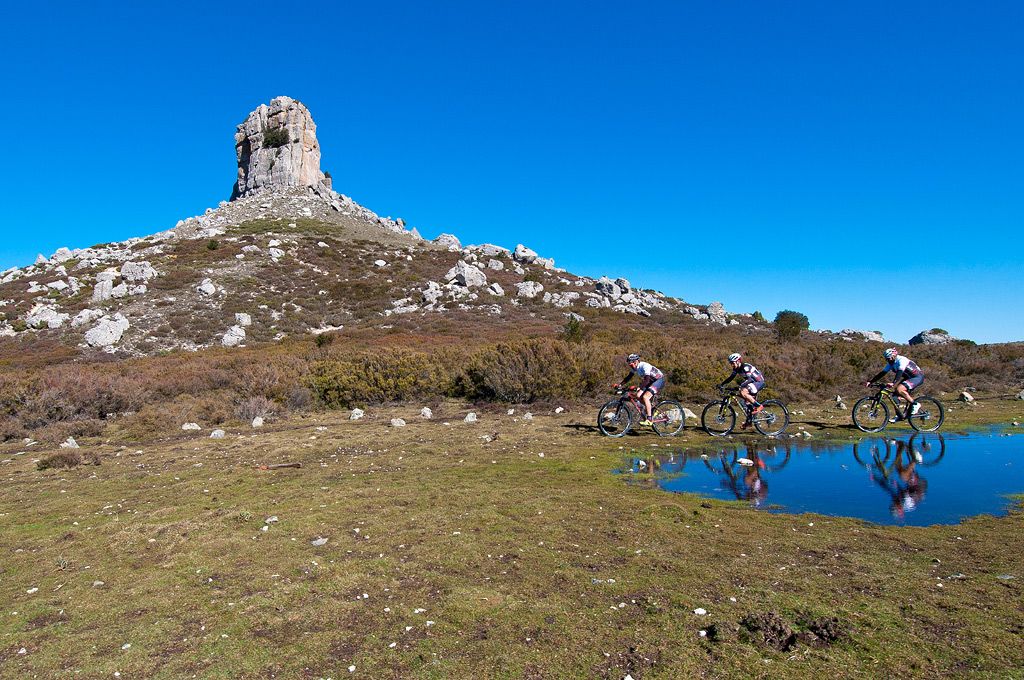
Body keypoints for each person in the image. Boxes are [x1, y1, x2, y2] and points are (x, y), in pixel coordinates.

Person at [866, 348, 924, 419]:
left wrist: (893, 383)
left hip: (917, 377)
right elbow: (882, 373)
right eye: (887, 359)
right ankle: (899, 416)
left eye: (889, 358)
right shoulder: (891, 363)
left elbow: (900, 372)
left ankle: (915, 404)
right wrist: (871, 381)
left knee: (899, 389)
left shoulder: (901, 360)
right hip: (908, 378)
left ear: (894, 355)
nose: (888, 360)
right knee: (894, 396)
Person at [614, 353, 665, 426]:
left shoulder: (644, 366)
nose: (631, 366)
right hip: (650, 381)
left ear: (636, 362)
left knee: (645, 397)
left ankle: (649, 419)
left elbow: (647, 380)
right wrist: (620, 384)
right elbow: (629, 377)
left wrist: (639, 388)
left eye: (631, 364)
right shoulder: (634, 368)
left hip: (658, 380)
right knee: (638, 395)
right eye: (629, 364)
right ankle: (652, 409)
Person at [718, 353, 765, 428]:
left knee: (743, 392)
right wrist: (722, 384)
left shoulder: (745, 367)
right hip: (752, 383)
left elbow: (750, 379)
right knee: (746, 403)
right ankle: (749, 422)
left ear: (738, 361)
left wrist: (741, 386)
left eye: (733, 363)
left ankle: (759, 406)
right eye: (731, 363)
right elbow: (731, 378)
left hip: (758, 382)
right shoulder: (736, 369)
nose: (732, 365)